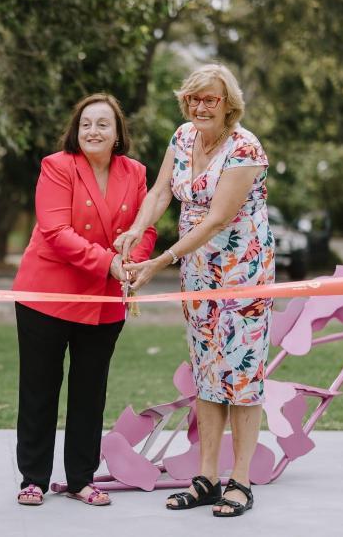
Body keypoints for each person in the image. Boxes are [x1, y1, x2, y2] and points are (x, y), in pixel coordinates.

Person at [115, 64, 273, 517]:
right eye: (193, 99)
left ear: (228, 105)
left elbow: (218, 218)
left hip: (242, 275)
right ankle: (206, 478)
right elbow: (160, 193)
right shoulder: (183, 137)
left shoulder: (244, 148)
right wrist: (137, 229)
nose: (200, 107)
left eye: (210, 99)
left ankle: (240, 481)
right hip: (198, 273)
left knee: (241, 375)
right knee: (207, 371)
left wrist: (161, 260)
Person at [12, 93, 157, 507]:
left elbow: (145, 228)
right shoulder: (57, 166)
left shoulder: (136, 172)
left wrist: (133, 263)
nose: (93, 131)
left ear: (117, 134)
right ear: (76, 131)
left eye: (102, 124)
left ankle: (80, 479)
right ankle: (33, 479)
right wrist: (111, 263)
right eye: (86, 124)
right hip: (47, 296)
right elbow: (56, 232)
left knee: (91, 392)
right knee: (39, 389)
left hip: (105, 300)